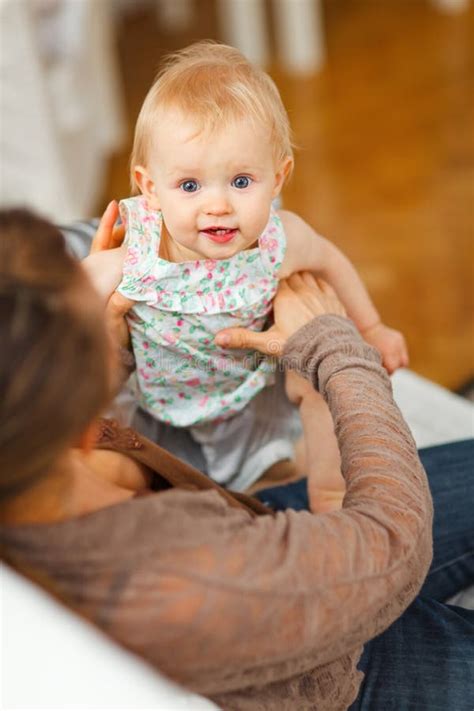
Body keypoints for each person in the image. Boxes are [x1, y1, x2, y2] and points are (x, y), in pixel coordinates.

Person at [1, 207, 472, 711]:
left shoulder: (29, 456)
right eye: (85, 301)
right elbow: (395, 542)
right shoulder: (177, 579)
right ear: (73, 418)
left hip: (257, 532)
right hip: (340, 676)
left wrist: (110, 348)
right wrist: (336, 349)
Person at [83, 42, 409, 510]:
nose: (218, 205)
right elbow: (65, 291)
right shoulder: (139, 251)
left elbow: (330, 261)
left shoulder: (280, 242)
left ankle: (331, 499)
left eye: (240, 182)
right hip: (159, 409)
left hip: (251, 400)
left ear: (278, 179)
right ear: (150, 188)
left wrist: (372, 326)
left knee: (317, 387)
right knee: (132, 474)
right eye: (190, 186)